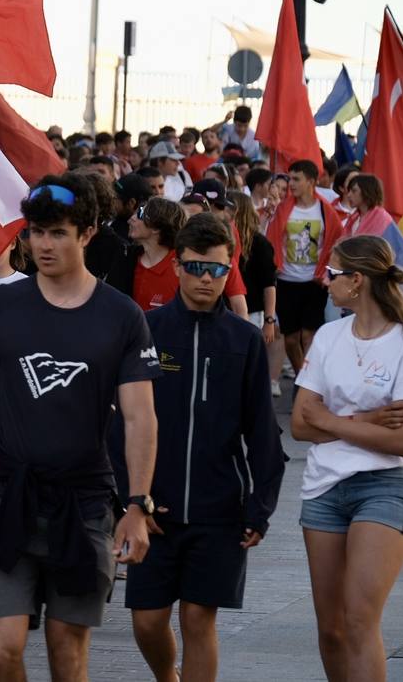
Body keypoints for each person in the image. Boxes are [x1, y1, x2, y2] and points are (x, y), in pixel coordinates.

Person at [0, 175, 161, 682]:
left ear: (87, 233)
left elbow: (140, 418)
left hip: (84, 503)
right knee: (0, 649)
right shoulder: (3, 305)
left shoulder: (122, 316)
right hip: (10, 499)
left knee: (68, 657)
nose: (43, 244)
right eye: (35, 232)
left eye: (58, 232)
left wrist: (137, 505)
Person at [126, 215, 285, 682]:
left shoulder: (244, 340)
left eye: (217, 270)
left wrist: (261, 507)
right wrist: (129, 499)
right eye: (196, 267)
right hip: (154, 506)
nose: (205, 279)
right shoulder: (146, 330)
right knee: (147, 620)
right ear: (177, 265)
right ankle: (167, 676)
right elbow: (122, 424)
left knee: (198, 619)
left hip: (220, 510)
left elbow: (262, 430)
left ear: (229, 268)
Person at [290, 235, 403, 682]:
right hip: (323, 489)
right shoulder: (328, 336)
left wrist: (333, 422)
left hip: (386, 486)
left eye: (333, 274)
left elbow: (400, 444)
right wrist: (372, 419)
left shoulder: (400, 342)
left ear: (357, 281)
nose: (325, 280)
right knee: (332, 630)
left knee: (359, 620)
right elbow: (300, 425)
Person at [269, 159, 345, 375]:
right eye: (290, 178)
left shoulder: (325, 210)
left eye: (296, 179)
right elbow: (271, 239)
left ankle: (309, 381)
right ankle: (302, 376)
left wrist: (326, 272)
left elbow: (337, 242)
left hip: (314, 282)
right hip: (286, 280)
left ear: (310, 181)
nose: (291, 183)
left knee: (309, 335)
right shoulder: (284, 209)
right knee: (292, 339)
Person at [231, 192, 282, 396]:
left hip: (252, 313)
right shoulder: (224, 240)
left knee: (247, 364)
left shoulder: (260, 244)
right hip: (228, 309)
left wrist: (269, 320)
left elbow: (269, 285)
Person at [118, 196, 185, 311]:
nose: (131, 219)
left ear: (156, 228)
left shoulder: (181, 269)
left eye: (140, 215)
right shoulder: (126, 259)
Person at [342, 173, 394, 239]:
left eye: (354, 191)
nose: (348, 195)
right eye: (349, 191)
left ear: (366, 192)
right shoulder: (353, 218)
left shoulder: (382, 218)